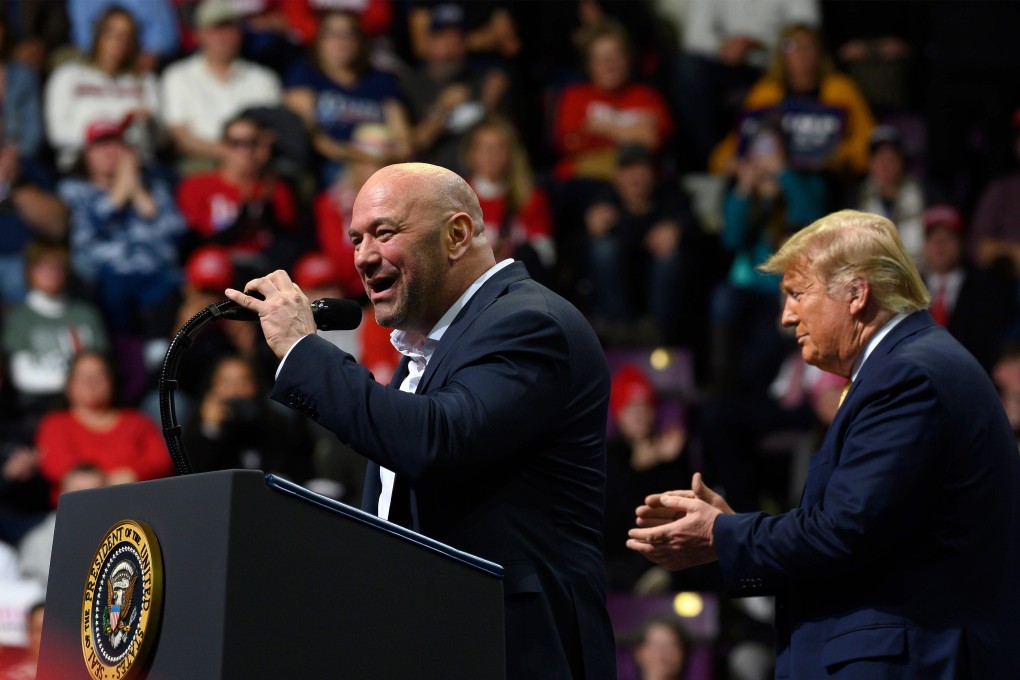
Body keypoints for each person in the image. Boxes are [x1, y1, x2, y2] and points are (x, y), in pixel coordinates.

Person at [225, 162, 616, 679]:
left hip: (517, 649)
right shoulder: (425, 353)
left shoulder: (528, 322)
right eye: (356, 239)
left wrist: (303, 350)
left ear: (456, 235)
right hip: (434, 637)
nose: (363, 256)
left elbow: (436, 440)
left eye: (384, 233)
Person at [627, 209, 1020, 678]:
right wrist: (730, 532)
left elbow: (844, 531)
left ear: (856, 293)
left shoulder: (907, 376)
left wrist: (723, 534)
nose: (786, 316)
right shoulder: (906, 367)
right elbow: (864, 531)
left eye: (797, 293)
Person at [35, 352, 172, 507]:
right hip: (78, 510)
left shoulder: (139, 422)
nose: (90, 383)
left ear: (111, 381)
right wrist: (111, 480)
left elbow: (161, 461)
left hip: (138, 507)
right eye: (82, 376)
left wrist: (132, 474)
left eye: (98, 375)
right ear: (69, 384)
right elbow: (57, 467)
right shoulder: (55, 424)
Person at [159, 0, 281, 174]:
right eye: (214, 29)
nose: (222, 36)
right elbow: (180, 136)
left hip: (254, 164)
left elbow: (271, 133)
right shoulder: (178, 76)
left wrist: (245, 155)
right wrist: (228, 153)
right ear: (199, 34)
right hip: (201, 163)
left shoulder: (263, 79)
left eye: (229, 28)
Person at [44, 6, 161, 171]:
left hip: (135, 168)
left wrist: (149, 123)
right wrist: (110, 133)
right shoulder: (68, 76)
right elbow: (57, 134)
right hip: (79, 168)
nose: (118, 41)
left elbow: (159, 140)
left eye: (126, 35)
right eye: (111, 33)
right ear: (98, 34)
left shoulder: (146, 82)